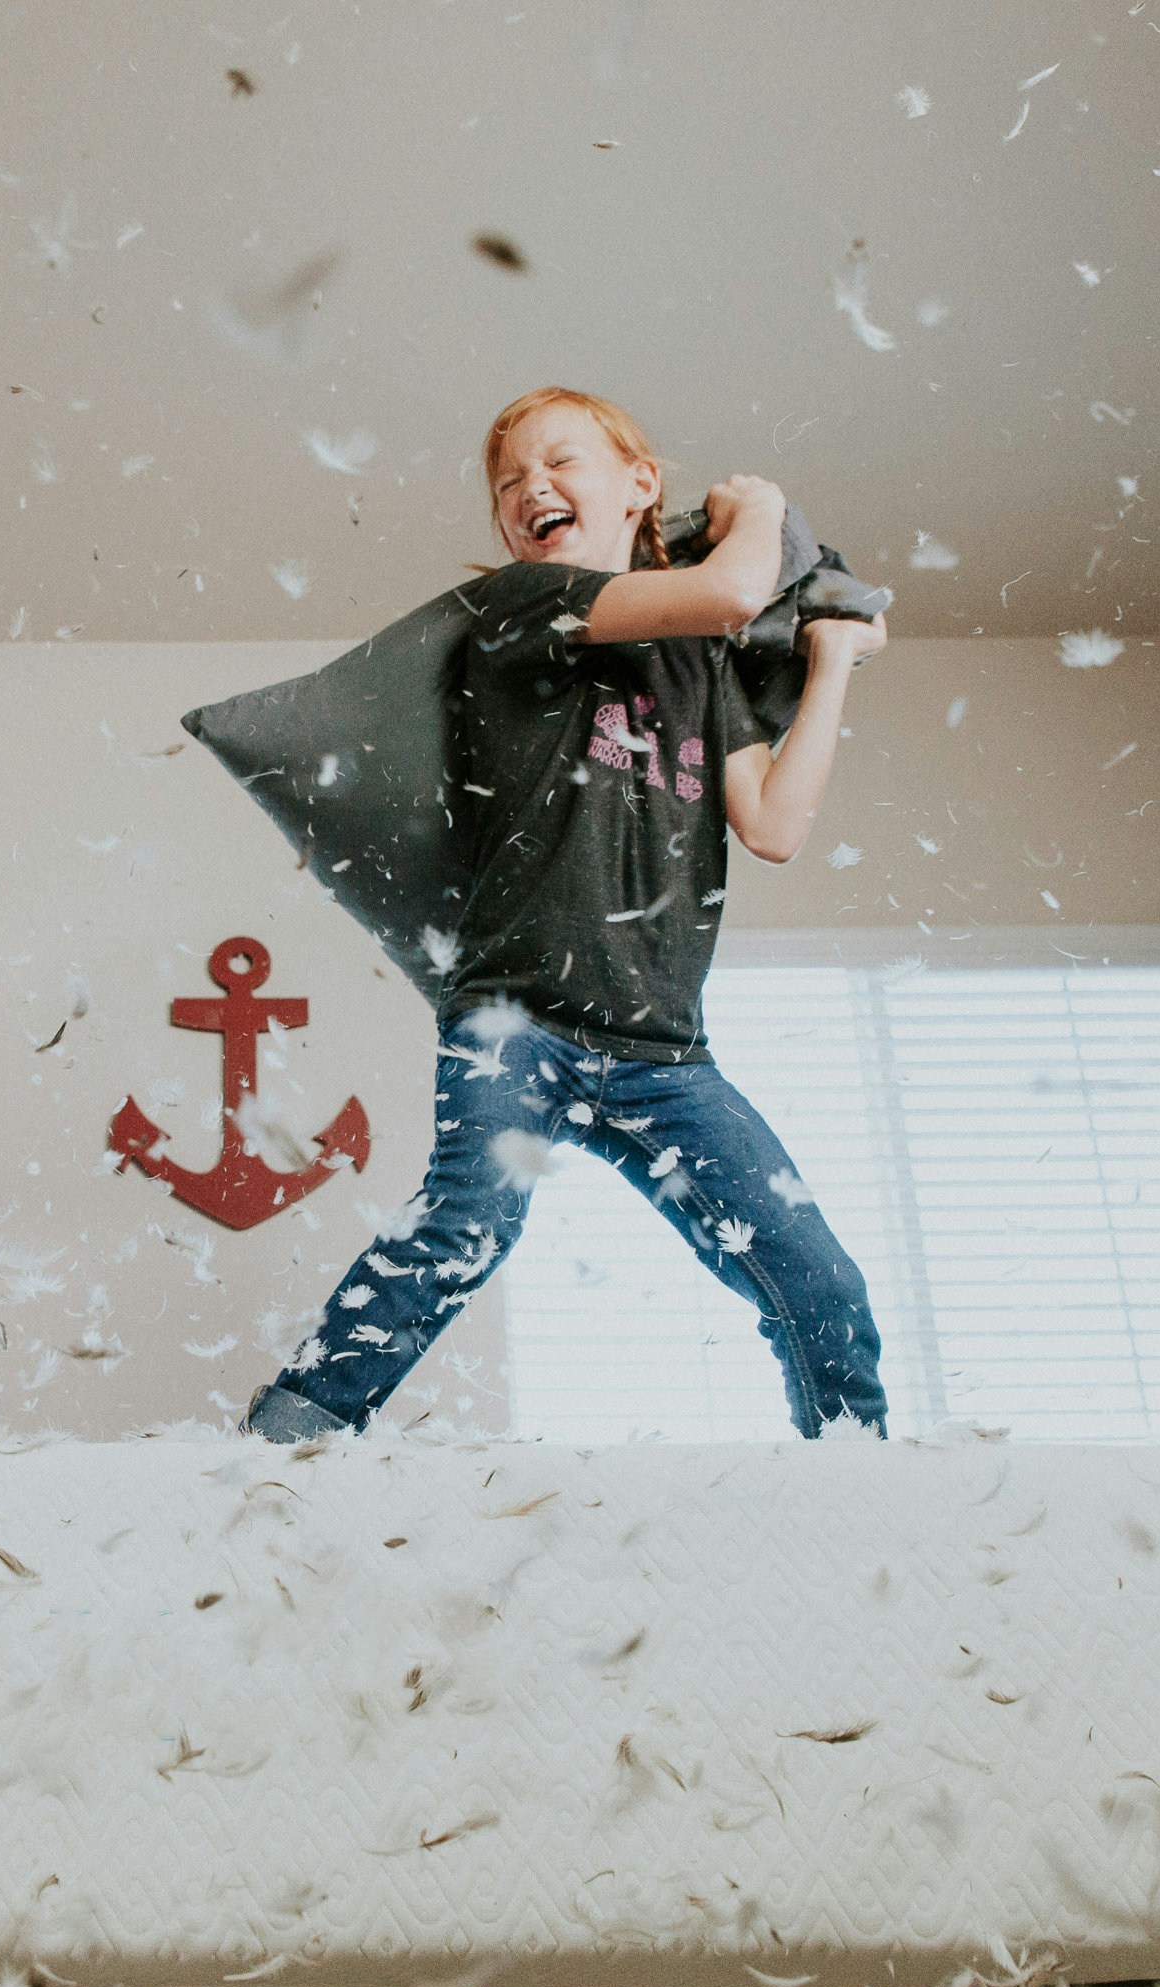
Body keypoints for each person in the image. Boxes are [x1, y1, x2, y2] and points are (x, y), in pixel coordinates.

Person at [239, 388, 894, 1444]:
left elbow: (774, 822)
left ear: (640, 486)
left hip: (663, 1050)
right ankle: (283, 1440)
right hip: (517, 1021)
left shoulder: (704, 665)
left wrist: (826, 664)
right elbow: (732, 585)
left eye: (560, 463)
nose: (530, 488)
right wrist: (761, 506)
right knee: (465, 1224)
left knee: (817, 1279)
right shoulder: (523, 603)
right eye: (508, 482)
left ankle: (864, 1470)